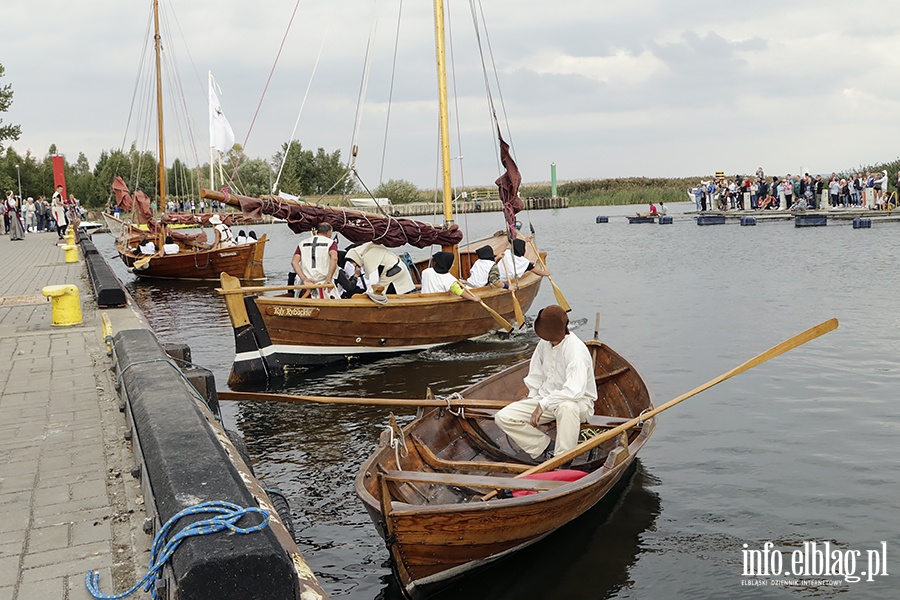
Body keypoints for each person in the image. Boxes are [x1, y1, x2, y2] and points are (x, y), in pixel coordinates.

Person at [494, 305, 597, 462]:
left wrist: (543, 404)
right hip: (545, 400)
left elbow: (574, 392)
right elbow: (536, 375)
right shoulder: (544, 343)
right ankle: (545, 447)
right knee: (504, 417)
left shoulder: (576, 351)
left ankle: (563, 459)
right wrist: (532, 397)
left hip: (578, 404)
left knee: (566, 407)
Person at [345, 241, 416, 295]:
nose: (354, 264)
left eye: (352, 261)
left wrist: (368, 294)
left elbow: (374, 279)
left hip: (394, 271)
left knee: (380, 293)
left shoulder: (369, 255)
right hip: (397, 268)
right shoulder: (368, 250)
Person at [291, 223, 339, 299]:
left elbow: (294, 262)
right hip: (324, 285)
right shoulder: (331, 243)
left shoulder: (302, 243)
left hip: (307, 285)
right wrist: (329, 278)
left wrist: (304, 279)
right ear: (329, 233)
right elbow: (334, 258)